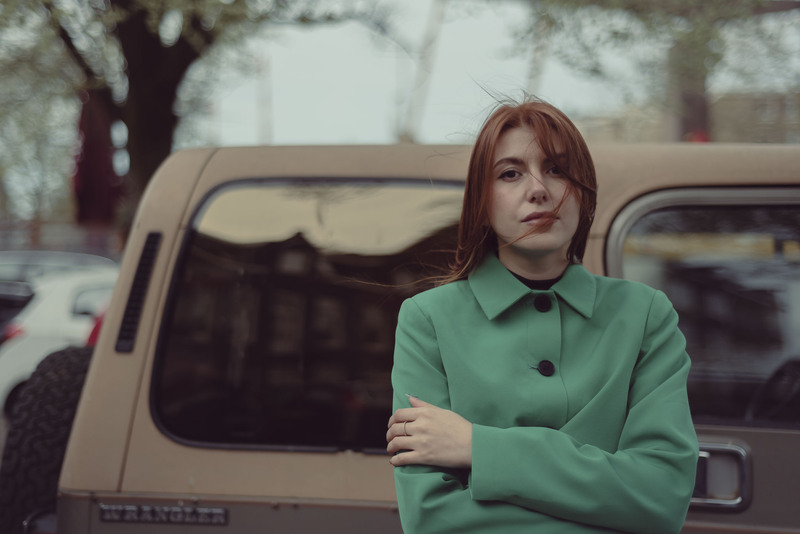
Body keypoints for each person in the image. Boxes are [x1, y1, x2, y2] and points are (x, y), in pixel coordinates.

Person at [385, 99, 698, 534]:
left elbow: (660, 497)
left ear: (583, 190)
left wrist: (479, 447)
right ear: (482, 199)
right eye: (510, 173)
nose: (539, 189)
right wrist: (606, 505)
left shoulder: (645, 315)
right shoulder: (428, 320)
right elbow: (432, 518)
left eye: (557, 169)